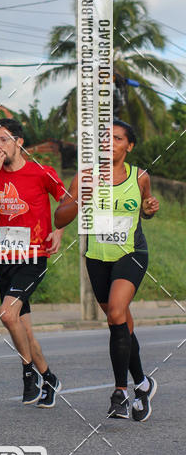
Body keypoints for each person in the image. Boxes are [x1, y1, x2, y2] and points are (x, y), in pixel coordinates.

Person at [55, 118, 159, 421]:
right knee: (120, 322)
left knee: (116, 312)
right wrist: (80, 198)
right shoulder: (84, 177)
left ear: (129, 145)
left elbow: (144, 210)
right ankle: (142, 382)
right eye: (104, 138)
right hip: (98, 257)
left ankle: (120, 393)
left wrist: (148, 210)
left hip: (131, 253)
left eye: (116, 138)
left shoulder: (140, 177)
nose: (108, 143)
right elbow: (60, 219)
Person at [0, 119, 65, 408]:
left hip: (33, 256)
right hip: (5, 257)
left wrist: (59, 230)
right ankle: (48, 377)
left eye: (4, 140)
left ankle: (28, 373)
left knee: (7, 314)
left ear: (19, 142)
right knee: (22, 327)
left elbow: (67, 201)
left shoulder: (41, 173)